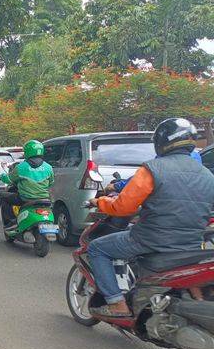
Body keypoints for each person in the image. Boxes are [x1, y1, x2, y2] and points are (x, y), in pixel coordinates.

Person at [87, 118, 214, 317]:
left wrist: (100, 202)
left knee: (96, 248)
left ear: (162, 142)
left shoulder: (152, 170)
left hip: (149, 239)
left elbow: (123, 207)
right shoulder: (207, 175)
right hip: (191, 245)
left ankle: (116, 303)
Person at [0, 140, 55, 227]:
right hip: (44, 198)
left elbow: (9, 179)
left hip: (25, 198)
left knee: (4, 197)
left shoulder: (21, 167)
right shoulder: (48, 167)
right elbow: (51, 183)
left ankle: (10, 222)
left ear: (27, 152)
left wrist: (1, 177)